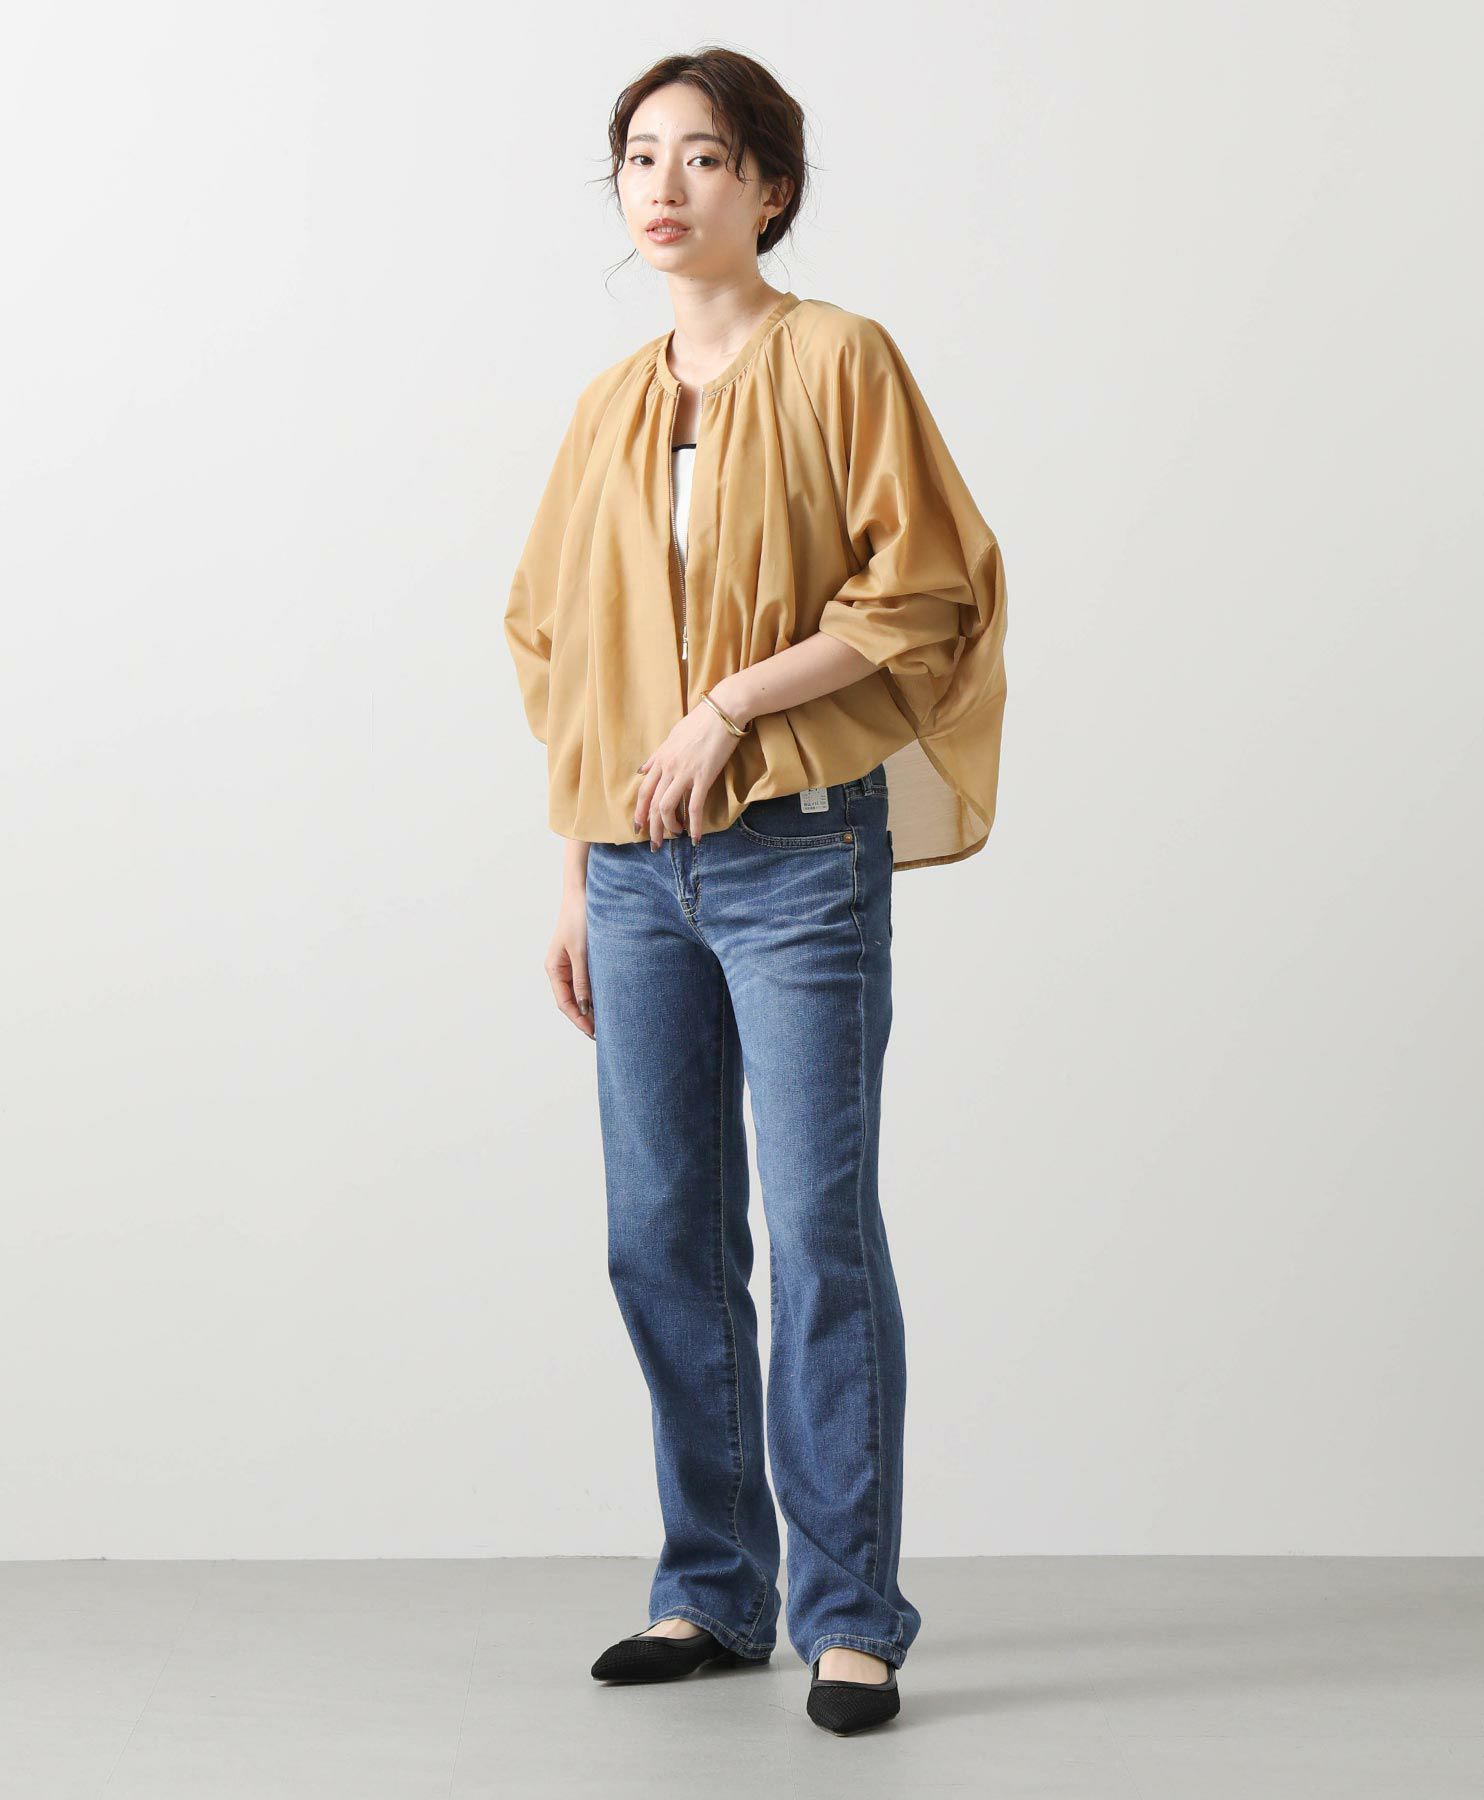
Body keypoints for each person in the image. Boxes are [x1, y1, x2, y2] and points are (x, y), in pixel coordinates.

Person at [502, 47, 1008, 1737]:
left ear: (771, 188)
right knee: (661, 1232)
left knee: (815, 1233)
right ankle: (712, 1591)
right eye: (641, 155)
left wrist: (729, 704)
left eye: (707, 156)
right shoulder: (607, 407)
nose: (666, 185)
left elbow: (919, 586)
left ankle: (851, 1616)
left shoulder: (840, 356)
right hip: (633, 872)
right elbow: (566, 657)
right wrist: (575, 874)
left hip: (797, 856)